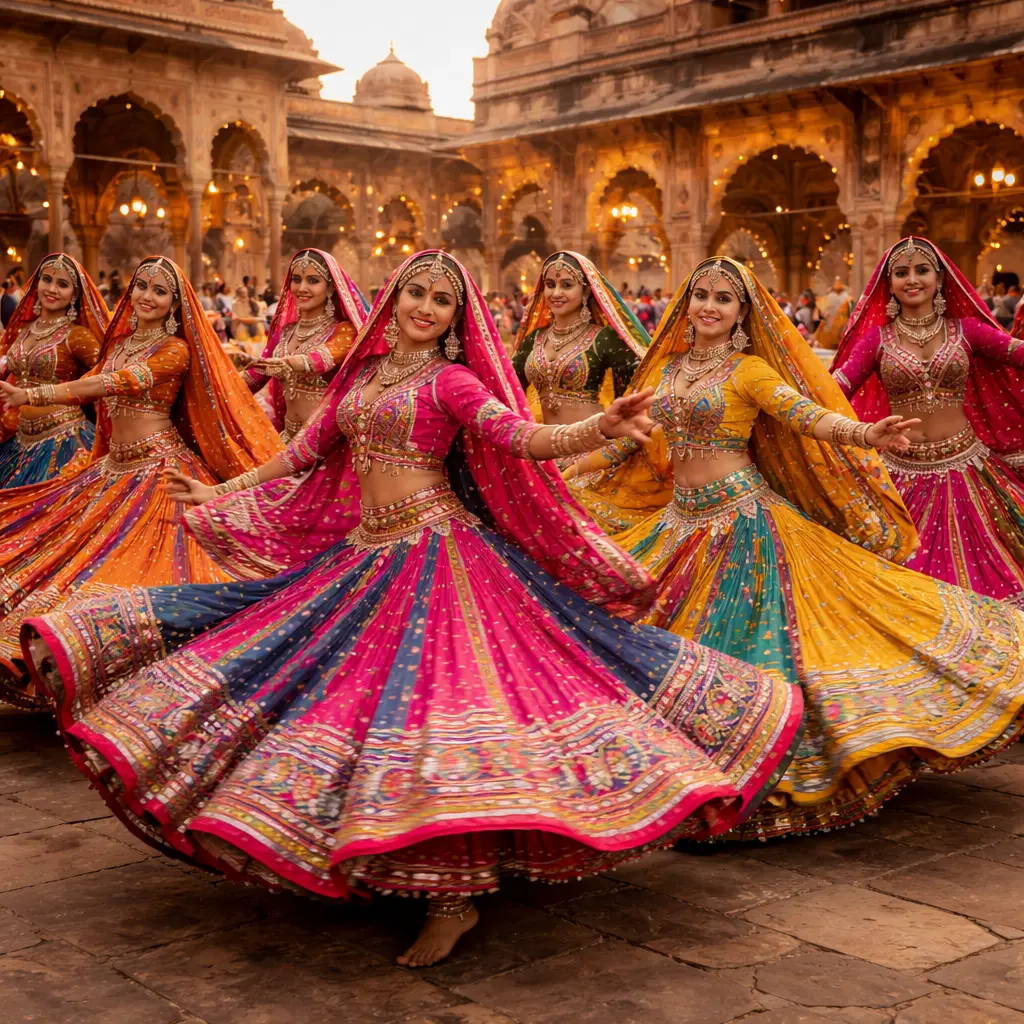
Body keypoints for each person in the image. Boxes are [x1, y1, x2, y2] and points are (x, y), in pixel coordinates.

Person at [23, 250, 802, 969]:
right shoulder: (362, 380)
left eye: (442, 299)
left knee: (436, 716)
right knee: (350, 705)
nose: (426, 306)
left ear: (458, 317)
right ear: (392, 301)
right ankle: (381, 852)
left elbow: (521, 438)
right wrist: (221, 491)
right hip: (366, 557)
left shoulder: (452, 382)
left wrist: (599, 426)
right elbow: (300, 453)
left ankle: (452, 899)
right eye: (416, 293)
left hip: (440, 560)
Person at [566, 255, 1024, 839]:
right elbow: (630, 440)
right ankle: (684, 773)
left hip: (746, 528)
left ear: (742, 314)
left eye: (724, 298)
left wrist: (865, 432)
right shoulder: (670, 371)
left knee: (760, 652)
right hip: (681, 527)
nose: (709, 306)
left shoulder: (749, 370)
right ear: (685, 305)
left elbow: (806, 415)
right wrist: (567, 468)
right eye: (701, 295)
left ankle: (760, 775)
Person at [0, 256, 280, 707]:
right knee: (47, 552)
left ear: (175, 303)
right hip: (111, 471)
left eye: (159, 290)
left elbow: (114, 383)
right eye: (142, 287)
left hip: (158, 474)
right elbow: (93, 379)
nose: (147, 296)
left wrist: (34, 393)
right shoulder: (121, 343)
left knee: (132, 574)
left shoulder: (175, 349)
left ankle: (108, 675)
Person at [832, 237, 1024, 605]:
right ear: (889, 285)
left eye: (921, 270)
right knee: (897, 593)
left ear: (939, 279)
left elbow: (1018, 356)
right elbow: (832, 391)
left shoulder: (967, 330)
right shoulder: (876, 340)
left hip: (968, 472)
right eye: (901, 273)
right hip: (900, 479)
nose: (912, 279)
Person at [511, 252, 649, 461]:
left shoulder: (604, 338)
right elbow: (508, 389)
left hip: (591, 454)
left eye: (567, 285)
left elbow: (631, 397)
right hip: (545, 453)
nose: (556, 293)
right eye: (550, 285)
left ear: (586, 290)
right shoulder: (534, 339)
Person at [0, 254, 109, 489]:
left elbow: (106, 377)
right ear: (36, 283)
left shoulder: (77, 336)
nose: (52, 289)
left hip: (65, 442)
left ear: (75, 294)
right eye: (47, 280)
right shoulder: (23, 330)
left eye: (62, 284)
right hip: (20, 441)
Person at [239, 249, 368, 441]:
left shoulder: (343, 330)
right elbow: (257, 375)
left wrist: (286, 363)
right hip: (287, 438)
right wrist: (219, 380)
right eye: (297, 279)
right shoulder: (286, 332)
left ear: (330, 288)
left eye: (313, 281)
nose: (302, 288)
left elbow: (321, 359)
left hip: (325, 442)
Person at [813, 277, 853, 351]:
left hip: (842, 321)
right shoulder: (830, 296)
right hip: (832, 321)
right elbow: (824, 310)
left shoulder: (846, 297)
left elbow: (849, 309)